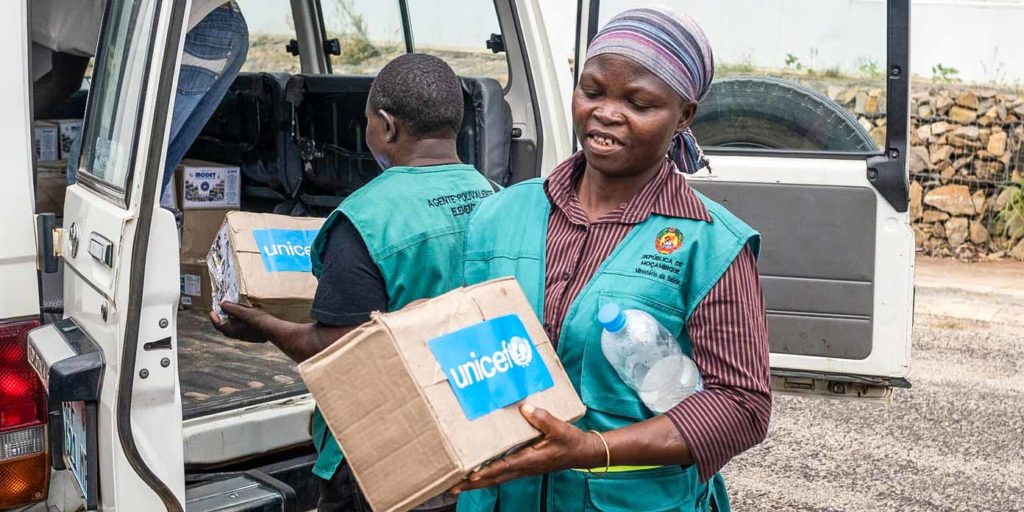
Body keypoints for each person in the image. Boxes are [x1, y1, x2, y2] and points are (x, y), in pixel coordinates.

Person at [450, 8, 771, 512]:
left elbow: (742, 406)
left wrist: (591, 449)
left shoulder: (709, 245)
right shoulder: (500, 213)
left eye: (639, 102)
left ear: (683, 116)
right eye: (593, 91)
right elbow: (456, 347)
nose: (606, 113)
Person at [210, 54, 495, 512]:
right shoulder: (495, 197)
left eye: (366, 121)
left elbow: (338, 349)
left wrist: (260, 325)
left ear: (386, 125)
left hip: (384, 457)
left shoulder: (365, 218)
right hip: (476, 439)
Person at [31, 0, 248, 194]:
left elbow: (36, 84)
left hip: (183, 27)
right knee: (146, 184)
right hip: (223, 22)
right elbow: (64, 79)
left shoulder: (29, 19)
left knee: (93, 172)